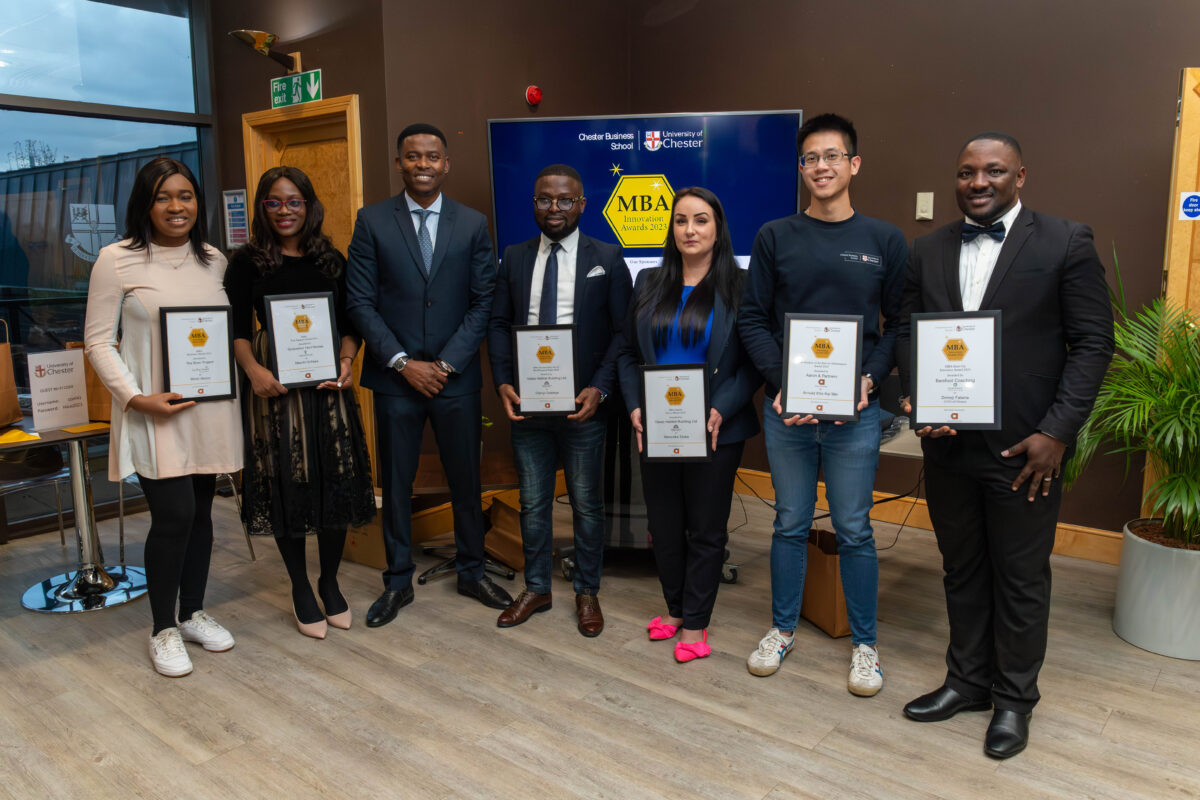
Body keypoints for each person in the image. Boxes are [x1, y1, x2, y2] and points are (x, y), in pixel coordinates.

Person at [895, 132, 1113, 758]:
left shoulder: (1065, 241)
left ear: (1020, 176)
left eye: (993, 171)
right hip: (947, 449)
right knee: (961, 569)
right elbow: (906, 330)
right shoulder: (927, 248)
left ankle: (1015, 700)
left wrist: (1057, 432)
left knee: (1020, 577)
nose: (978, 182)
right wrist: (916, 397)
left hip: (1027, 451)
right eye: (966, 172)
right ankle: (966, 682)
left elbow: (1094, 342)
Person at [738, 113, 906, 694]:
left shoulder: (884, 240)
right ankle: (781, 629)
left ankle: (865, 645)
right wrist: (779, 382)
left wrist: (870, 379)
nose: (821, 167)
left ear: (853, 164)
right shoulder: (774, 236)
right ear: (801, 167)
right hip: (787, 410)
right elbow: (753, 319)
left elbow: (897, 324)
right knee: (788, 521)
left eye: (832, 156)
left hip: (855, 413)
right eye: (810, 158)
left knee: (855, 527)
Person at [346, 123, 511, 627]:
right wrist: (402, 363)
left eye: (432, 156)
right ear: (399, 163)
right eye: (413, 156)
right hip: (394, 380)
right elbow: (359, 301)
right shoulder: (372, 221)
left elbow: (484, 301)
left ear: (446, 164)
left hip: (454, 379)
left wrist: (443, 364)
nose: (423, 164)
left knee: (466, 480)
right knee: (396, 484)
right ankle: (397, 581)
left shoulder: (472, 223)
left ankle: (472, 571)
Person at [84, 157, 242, 677]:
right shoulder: (116, 259)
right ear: (145, 205)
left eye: (186, 195)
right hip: (155, 411)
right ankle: (162, 628)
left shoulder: (214, 260)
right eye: (163, 197)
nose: (177, 206)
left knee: (201, 515)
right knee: (174, 515)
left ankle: (193, 613)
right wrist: (134, 398)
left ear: (198, 202)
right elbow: (98, 342)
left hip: (209, 410)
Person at [224, 166, 376, 639]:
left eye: (294, 201)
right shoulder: (246, 262)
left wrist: (347, 361)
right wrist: (254, 372)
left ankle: (329, 581)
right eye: (274, 202)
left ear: (309, 206)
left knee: (334, 479)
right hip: (275, 390)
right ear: (262, 208)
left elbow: (351, 324)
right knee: (287, 482)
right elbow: (237, 331)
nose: (284, 210)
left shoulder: (331, 260)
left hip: (328, 388)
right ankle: (300, 587)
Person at [616, 187, 761, 662]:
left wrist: (722, 407)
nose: (690, 230)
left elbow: (752, 363)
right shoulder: (649, 281)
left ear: (718, 228)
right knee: (664, 525)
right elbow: (627, 353)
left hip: (716, 428)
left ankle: (696, 623)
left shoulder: (741, 285)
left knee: (705, 528)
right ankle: (676, 609)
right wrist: (634, 405)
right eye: (681, 221)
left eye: (701, 220)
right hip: (657, 427)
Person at [487, 164, 631, 636]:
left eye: (565, 199)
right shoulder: (514, 257)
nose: (554, 208)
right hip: (528, 405)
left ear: (581, 204)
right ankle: (537, 589)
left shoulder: (607, 257)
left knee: (587, 504)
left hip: (582, 406)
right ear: (533, 204)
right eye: (544, 199)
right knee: (533, 503)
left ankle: (587, 591)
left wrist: (600, 388)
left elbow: (623, 332)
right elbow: (498, 324)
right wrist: (503, 381)